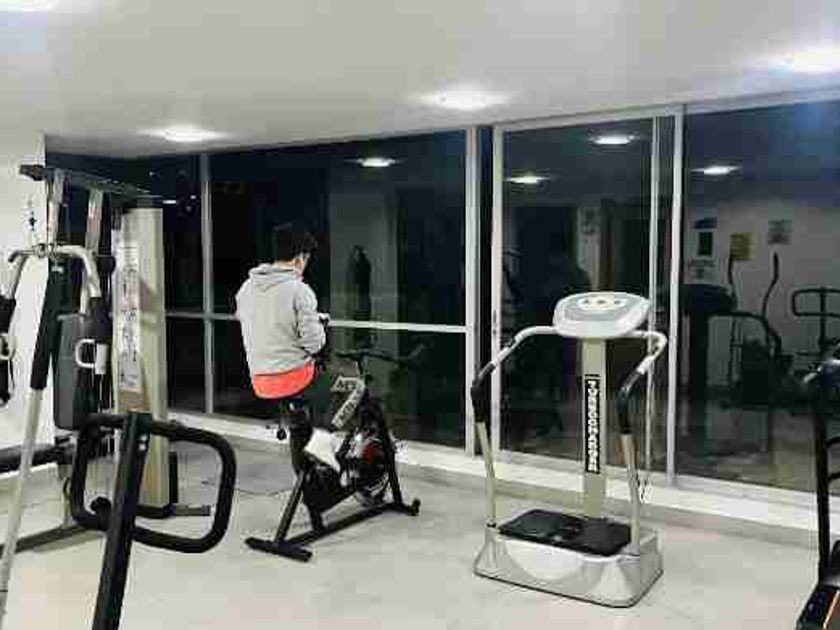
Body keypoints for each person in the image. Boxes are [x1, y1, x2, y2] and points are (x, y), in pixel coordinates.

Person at [235, 223, 327, 472]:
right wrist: (318, 325)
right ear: (298, 259)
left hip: (261, 379)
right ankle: (325, 452)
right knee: (350, 387)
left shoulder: (246, 289)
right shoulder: (300, 290)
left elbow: (259, 323)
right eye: (306, 259)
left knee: (300, 424)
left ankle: (307, 477)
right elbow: (314, 344)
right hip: (293, 378)